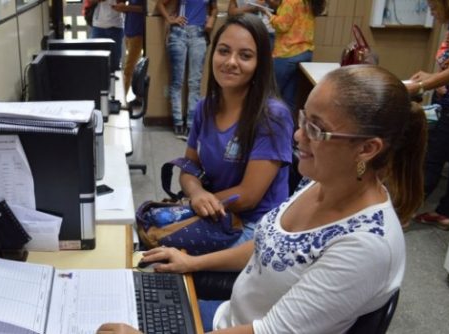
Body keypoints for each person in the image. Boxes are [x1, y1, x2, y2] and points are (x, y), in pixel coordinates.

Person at [98, 65, 427, 333]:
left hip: (249, 329)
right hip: (229, 318)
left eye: (316, 129)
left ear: (368, 149)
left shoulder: (367, 247)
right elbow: (268, 244)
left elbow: (269, 331)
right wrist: (191, 263)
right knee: (117, 304)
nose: (298, 135)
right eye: (303, 119)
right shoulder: (320, 180)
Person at [181, 14, 293, 252]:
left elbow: (248, 196)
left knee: (163, 252)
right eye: (223, 51)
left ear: (260, 63)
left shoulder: (273, 116)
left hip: (255, 228)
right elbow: (189, 166)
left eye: (245, 56)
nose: (231, 62)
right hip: (216, 213)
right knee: (150, 234)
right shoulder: (205, 107)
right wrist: (196, 193)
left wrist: (199, 205)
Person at [405, 0, 449, 231]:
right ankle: (445, 213)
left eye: (432, 5)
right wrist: (429, 77)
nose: (430, 10)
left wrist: (420, 87)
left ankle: (404, 214)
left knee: (430, 159)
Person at [157, 0, 218, 139]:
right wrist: (170, 20)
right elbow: (160, 4)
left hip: (199, 34)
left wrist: (212, 18)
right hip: (179, 33)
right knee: (177, 82)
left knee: (194, 83)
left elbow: (214, 8)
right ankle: (178, 122)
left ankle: (191, 124)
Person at [259, 0, 325, 111]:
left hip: (287, 53)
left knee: (270, 94)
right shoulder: (308, 2)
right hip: (305, 52)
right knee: (290, 98)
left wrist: (267, 13)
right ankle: (288, 127)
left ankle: (267, 126)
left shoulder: (290, 1)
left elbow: (282, 25)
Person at [112, 0, 146, 99]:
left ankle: (122, 99)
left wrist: (127, 8)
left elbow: (145, 9)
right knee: (134, 67)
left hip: (138, 32)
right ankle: (139, 97)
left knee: (128, 69)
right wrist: (122, 9)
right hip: (129, 31)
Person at [91, 0, 125, 71]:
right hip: (98, 25)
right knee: (96, 60)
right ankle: (98, 81)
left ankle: (113, 81)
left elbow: (123, 3)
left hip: (116, 26)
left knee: (115, 62)